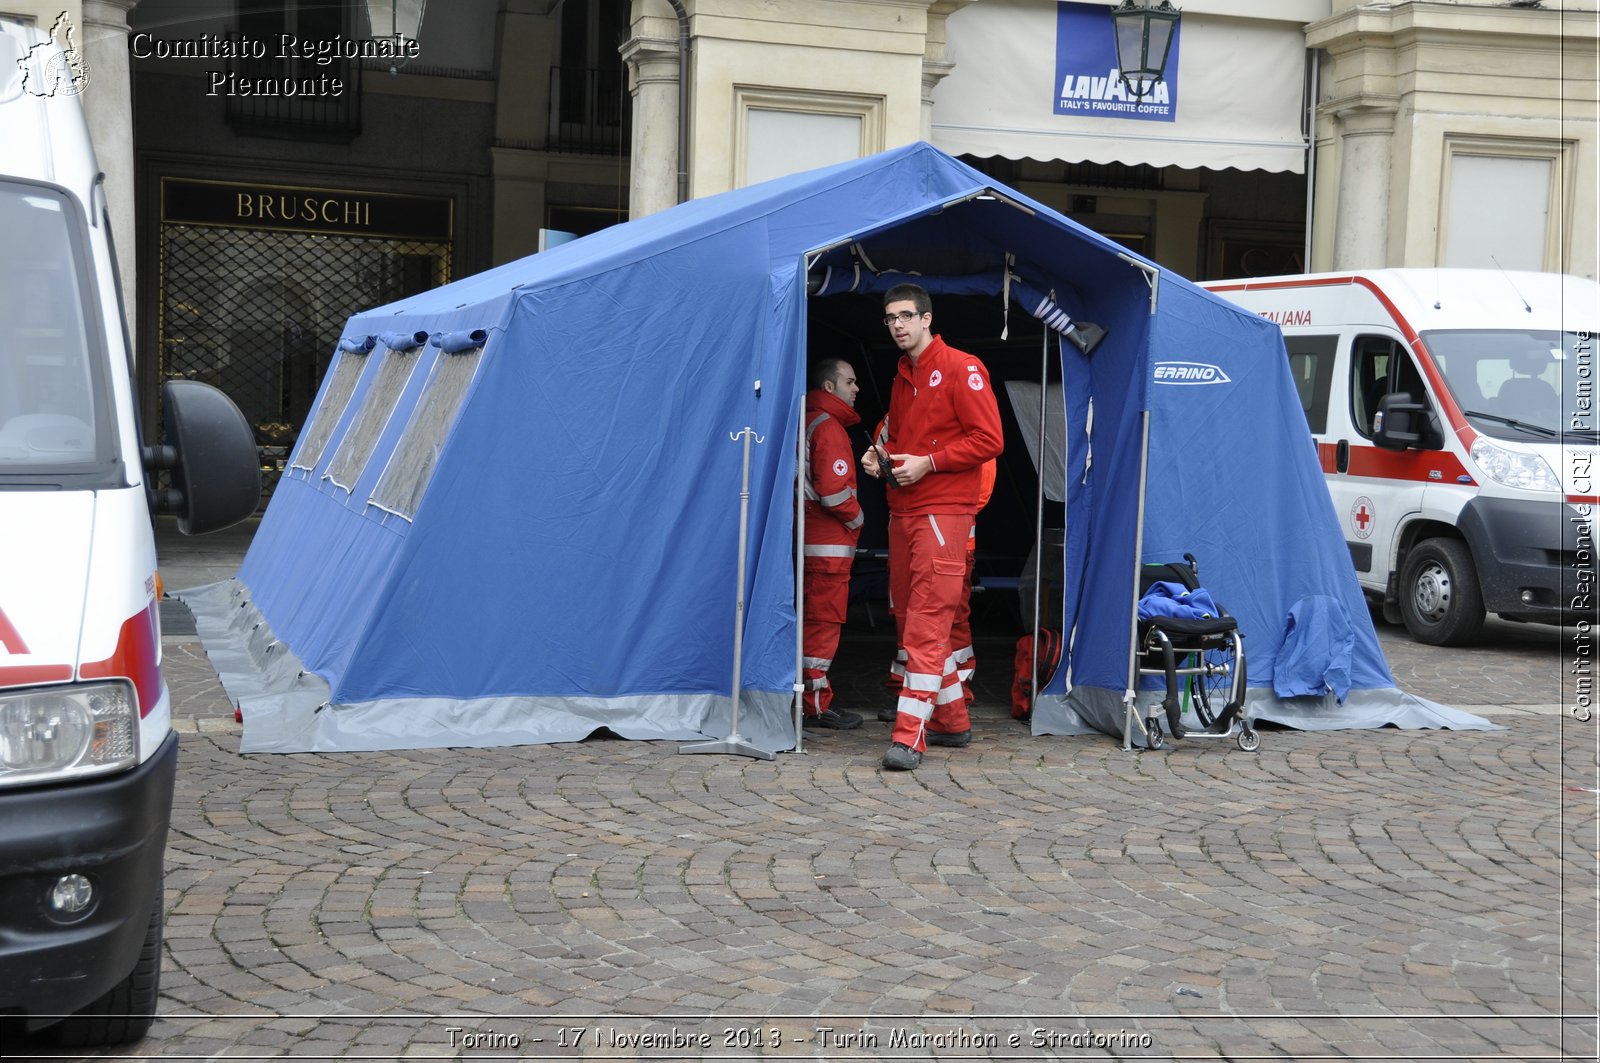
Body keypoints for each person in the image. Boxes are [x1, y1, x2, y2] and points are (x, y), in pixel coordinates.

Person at [861, 284, 1003, 770]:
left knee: (925, 623)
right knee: (911, 618)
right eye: (890, 318)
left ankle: (908, 737)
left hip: (943, 511)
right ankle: (952, 720)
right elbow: (898, 436)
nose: (897, 325)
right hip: (906, 511)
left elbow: (990, 439)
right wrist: (879, 457)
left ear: (926, 319)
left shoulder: (963, 367)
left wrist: (929, 464)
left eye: (905, 316)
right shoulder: (903, 376)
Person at [800, 357, 865, 729]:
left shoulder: (807, 421)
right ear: (829, 387)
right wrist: (860, 520)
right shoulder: (830, 428)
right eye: (850, 382)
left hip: (809, 543)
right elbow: (835, 494)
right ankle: (817, 705)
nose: (856, 389)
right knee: (824, 625)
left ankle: (808, 698)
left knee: (809, 623)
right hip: (828, 549)